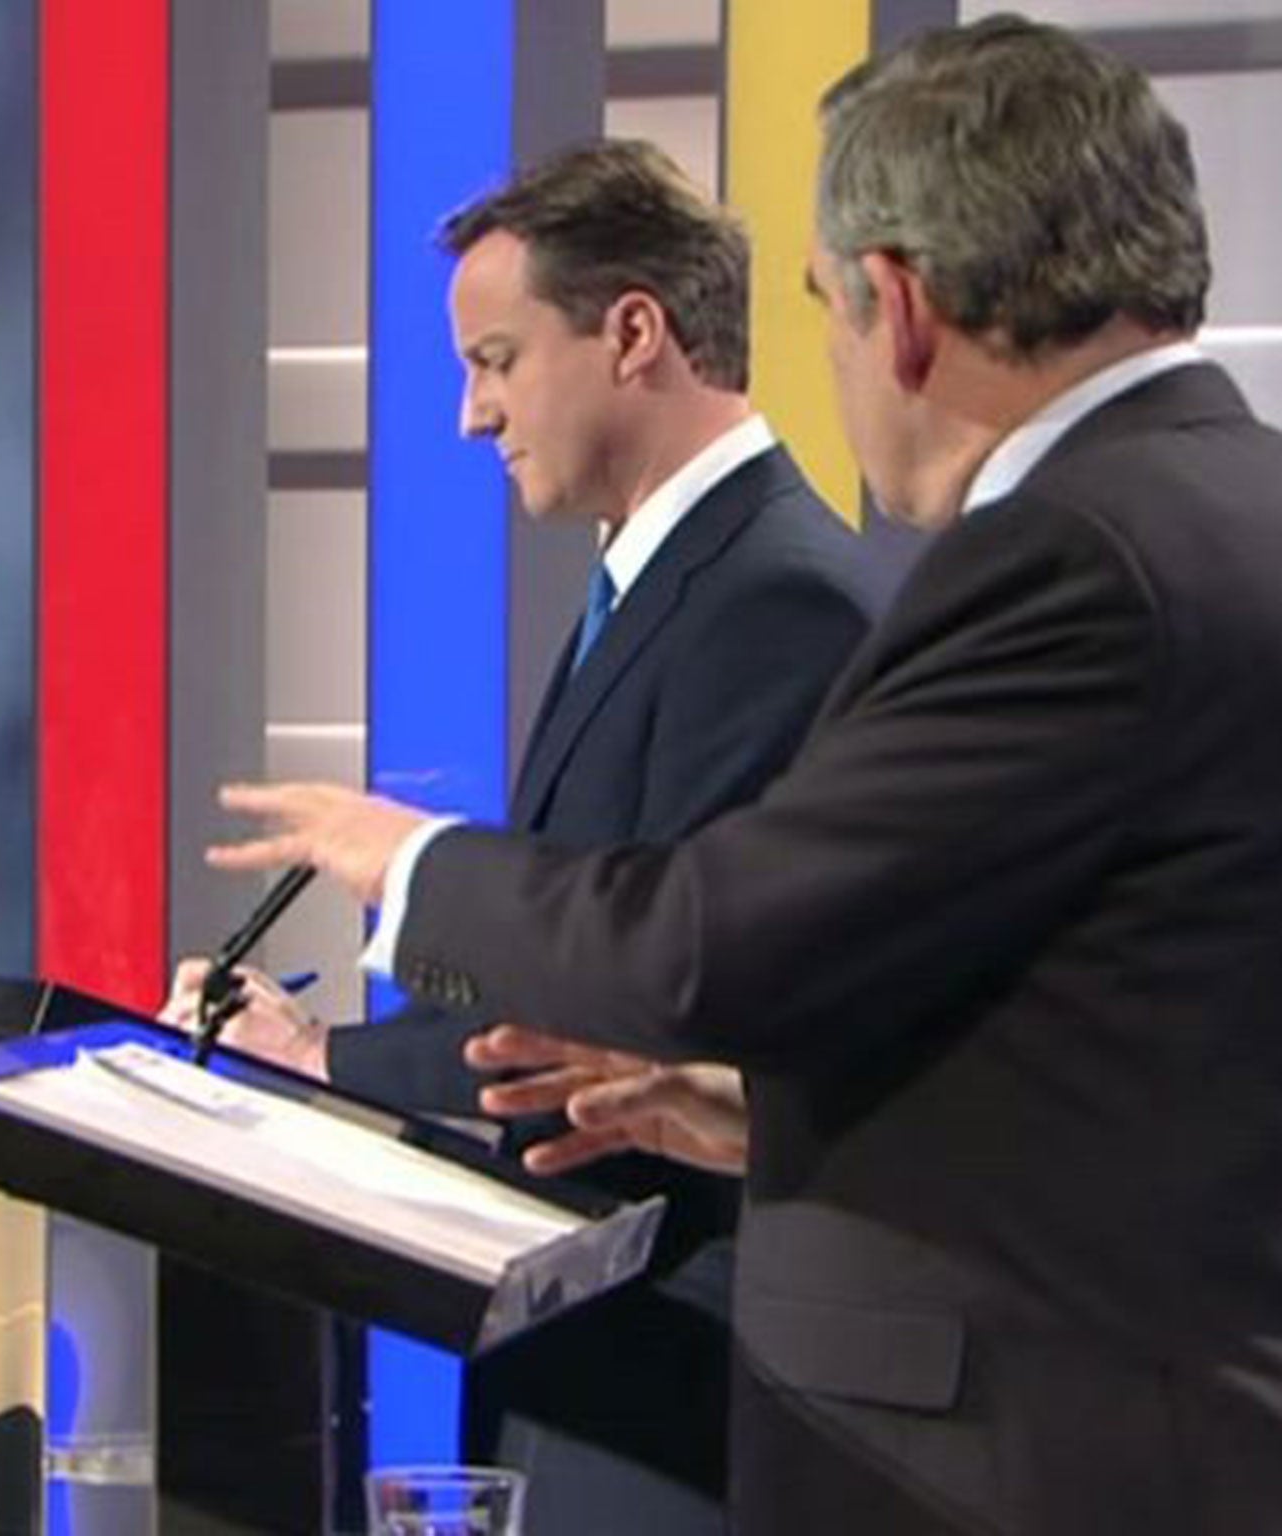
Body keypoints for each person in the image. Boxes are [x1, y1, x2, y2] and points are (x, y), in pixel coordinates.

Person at [208, 16, 1282, 1535]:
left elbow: (712, 937)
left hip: (1021, 1458)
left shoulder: (1072, 556)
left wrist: (409, 864)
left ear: (897, 305)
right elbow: (1104, 1038)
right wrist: (760, 1110)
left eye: (831, 320)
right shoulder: (1234, 504)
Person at [167, 141, 878, 1530]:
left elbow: (648, 998)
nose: (470, 416)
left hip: (686, 1383)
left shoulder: (772, 601)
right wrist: (324, 1056)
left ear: (631, 333)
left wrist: (330, 1061)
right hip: (611, 1362)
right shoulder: (672, 575)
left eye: (495, 360)